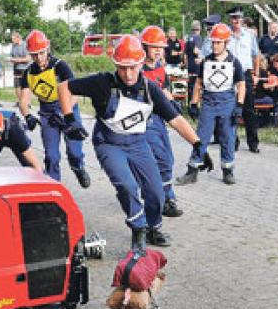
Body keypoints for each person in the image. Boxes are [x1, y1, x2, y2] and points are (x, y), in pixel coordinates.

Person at [62, 35, 202, 249]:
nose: (128, 74)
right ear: (115, 64)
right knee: (127, 186)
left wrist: (198, 144)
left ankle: (153, 228)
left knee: (156, 192)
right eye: (122, 68)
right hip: (109, 143)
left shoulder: (150, 89)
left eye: (133, 68)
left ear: (140, 63)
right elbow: (64, 87)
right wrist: (69, 118)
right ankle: (138, 229)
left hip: (138, 144)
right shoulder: (102, 83)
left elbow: (175, 119)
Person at [17, 29, 91, 187]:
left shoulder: (60, 66)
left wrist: (64, 112)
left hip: (67, 108)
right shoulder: (28, 73)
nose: (39, 58)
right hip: (47, 113)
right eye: (34, 55)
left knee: (74, 152)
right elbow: (23, 100)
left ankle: (78, 167)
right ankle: (53, 187)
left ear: (48, 48)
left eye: (41, 53)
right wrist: (27, 115)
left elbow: (75, 93)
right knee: (51, 156)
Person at [176, 23, 245, 186]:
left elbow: (241, 84)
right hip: (208, 103)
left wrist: (239, 105)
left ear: (226, 43)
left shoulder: (234, 62)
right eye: (213, 42)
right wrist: (194, 103)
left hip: (227, 102)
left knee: (228, 137)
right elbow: (199, 83)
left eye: (218, 42)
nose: (215, 46)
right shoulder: (205, 62)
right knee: (201, 137)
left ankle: (228, 170)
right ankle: (193, 170)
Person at [139, 25, 184, 218]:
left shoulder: (159, 67)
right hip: (145, 121)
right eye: (154, 47)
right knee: (162, 160)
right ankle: (165, 199)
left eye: (161, 48)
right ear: (144, 47)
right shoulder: (137, 70)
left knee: (168, 158)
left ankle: (158, 195)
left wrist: (172, 103)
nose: (158, 51)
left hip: (159, 119)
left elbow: (163, 88)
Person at [226, 6, 261, 153]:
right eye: (234, 18)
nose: (236, 20)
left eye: (238, 18)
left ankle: (253, 143)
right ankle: (233, 141)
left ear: (242, 19)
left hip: (245, 73)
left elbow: (256, 55)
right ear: (230, 20)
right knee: (230, 108)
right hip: (229, 74)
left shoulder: (249, 35)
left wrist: (256, 73)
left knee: (249, 110)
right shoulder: (226, 35)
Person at [184, 20, 204, 102]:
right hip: (196, 65)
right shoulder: (198, 37)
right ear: (199, 28)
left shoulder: (189, 38)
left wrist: (186, 64)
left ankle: (189, 103)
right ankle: (195, 103)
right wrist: (204, 53)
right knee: (197, 85)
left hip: (190, 65)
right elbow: (196, 51)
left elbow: (185, 54)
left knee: (190, 85)